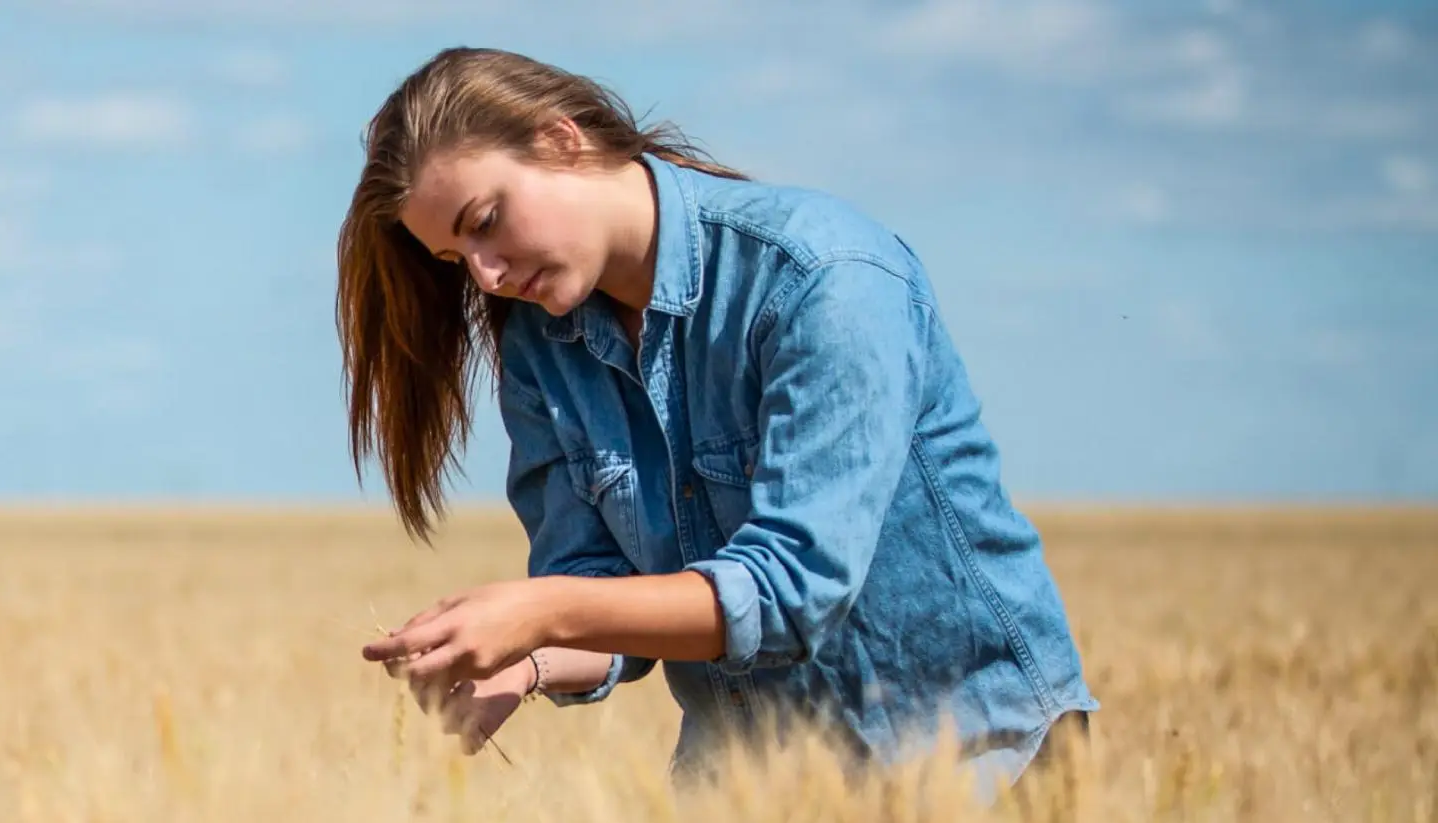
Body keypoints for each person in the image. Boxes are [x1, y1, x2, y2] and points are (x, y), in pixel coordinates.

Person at [336, 46, 1098, 800]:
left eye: (486, 221)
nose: (486, 274)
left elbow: (792, 591)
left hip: (978, 770)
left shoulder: (822, 277)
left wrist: (540, 612)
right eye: (454, 257)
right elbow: (603, 586)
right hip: (753, 786)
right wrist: (527, 659)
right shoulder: (542, 347)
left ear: (560, 140)